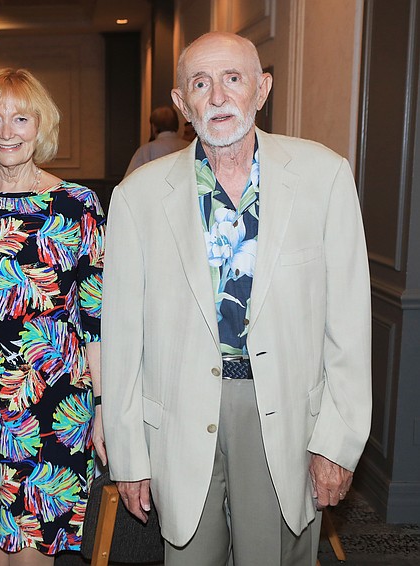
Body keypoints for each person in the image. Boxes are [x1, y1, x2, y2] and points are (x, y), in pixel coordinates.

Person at [102, 31, 371, 566]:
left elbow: (349, 323)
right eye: (201, 83)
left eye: (233, 79)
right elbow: (122, 335)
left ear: (262, 89)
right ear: (182, 103)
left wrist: (336, 442)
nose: (218, 96)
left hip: (286, 415)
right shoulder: (137, 197)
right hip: (178, 416)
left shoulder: (324, 177)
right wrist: (129, 456)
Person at [0, 68, 106, 566]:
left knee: (33, 557)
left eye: (20, 118)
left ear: (41, 126)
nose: (7, 131)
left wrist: (102, 406)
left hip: (52, 404)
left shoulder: (77, 206)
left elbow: (95, 317)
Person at [124, 105, 189, 176]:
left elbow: (130, 179)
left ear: (154, 127)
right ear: (177, 125)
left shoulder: (145, 150)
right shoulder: (189, 146)